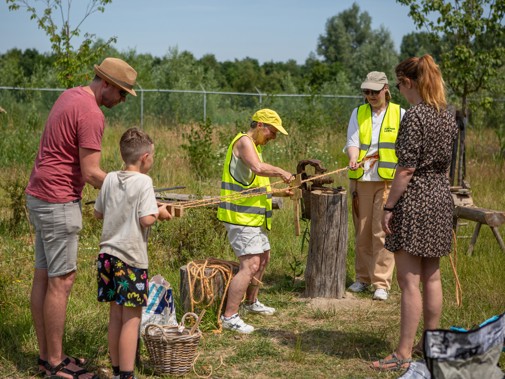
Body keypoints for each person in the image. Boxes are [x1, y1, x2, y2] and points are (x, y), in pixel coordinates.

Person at [25, 57, 137, 379]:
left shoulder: (70, 95)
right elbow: (90, 173)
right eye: (122, 93)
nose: (123, 100)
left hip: (39, 194)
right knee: (61, 281)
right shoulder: (91, 112)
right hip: (58, 200)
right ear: (107, 85)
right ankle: (57, 365)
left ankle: (47, 357)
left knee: (44, 277)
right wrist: (128, 184)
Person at [372, 55, 458, 371]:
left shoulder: (415, 116)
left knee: (409, 281)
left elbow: (406, 169)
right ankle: (430, 345)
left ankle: (403, 352)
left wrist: (389, 206)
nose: (398, 89)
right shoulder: (448, 115)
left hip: (416, 200)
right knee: (432, 276)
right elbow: (445, 166)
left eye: (398, 84)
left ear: (408, 82)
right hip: (439, 197)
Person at [94, 128, 171, 379]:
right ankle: (127, 375)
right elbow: (146, 219)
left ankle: (117, 370)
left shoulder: (109, 179)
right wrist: (160, 211)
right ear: (145, 157)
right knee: (132, 318)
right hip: (130, 260)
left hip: (107, 256)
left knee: (116, 313)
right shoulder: (144, 182)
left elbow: (98, 213)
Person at [217, 108, 293, 334]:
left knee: (264, 258)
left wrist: (278, 193)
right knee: (249, 265)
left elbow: (253, 184)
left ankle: (251, 302)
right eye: (272, 131)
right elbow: (257, 169)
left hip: (253, 217)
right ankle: (229, 316)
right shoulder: (244, 142)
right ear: (260, 125)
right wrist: (281, 171)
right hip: (240, 217)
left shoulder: (255, 147)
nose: (274, 137)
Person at [345, 71, 406, 301]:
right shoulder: (358, 113)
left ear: (386, 89)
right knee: (362, 231)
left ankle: (381, 283)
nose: (370, 95)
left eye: (374, 91)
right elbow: (352, 142)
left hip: (388, 180)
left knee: (381, 232)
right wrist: (353, 157)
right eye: (366, 91)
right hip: (362, 179)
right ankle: (362, 278)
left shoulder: (400, 113)